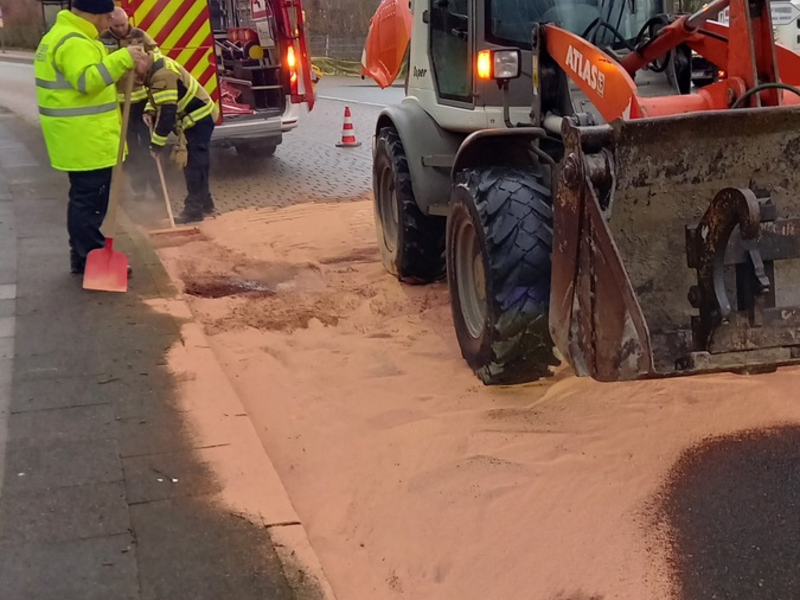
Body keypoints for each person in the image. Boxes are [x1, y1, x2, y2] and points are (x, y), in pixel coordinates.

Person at [34, 0, 148, 275]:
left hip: (77, 136)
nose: (108, 22)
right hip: (85, 138)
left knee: (84, 199)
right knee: (91, 202)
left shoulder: (63, 35)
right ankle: (90, 258)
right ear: (93, 14)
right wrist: (122, 58)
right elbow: (87, 81)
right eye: (107, 16)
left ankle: (82, 255)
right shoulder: (74, 42)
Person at [136, 52, 219, 224]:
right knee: (199, 163)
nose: (136, 76)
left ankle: (194, 211)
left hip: (199, 118)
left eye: (135, 70)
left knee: (194, 166)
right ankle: (206, 203)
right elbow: (160, 95)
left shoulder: (162, 74)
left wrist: (156, 145)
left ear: (142, 60)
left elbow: (167, 113)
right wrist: (149, 109)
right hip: (195, 117)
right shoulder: (155, 65)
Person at [99, 7, 162, 201]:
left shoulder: (139, 35)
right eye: (116, 25)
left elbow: (158, 56)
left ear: (128, 21)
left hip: (140, 101)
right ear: (109, 23)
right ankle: (139, 189)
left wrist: (145, 62)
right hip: (118, 102)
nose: (120, 29)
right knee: (130, 149)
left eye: (123, 24)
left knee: (148, 146)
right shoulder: (102, 39)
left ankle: (158, 188)